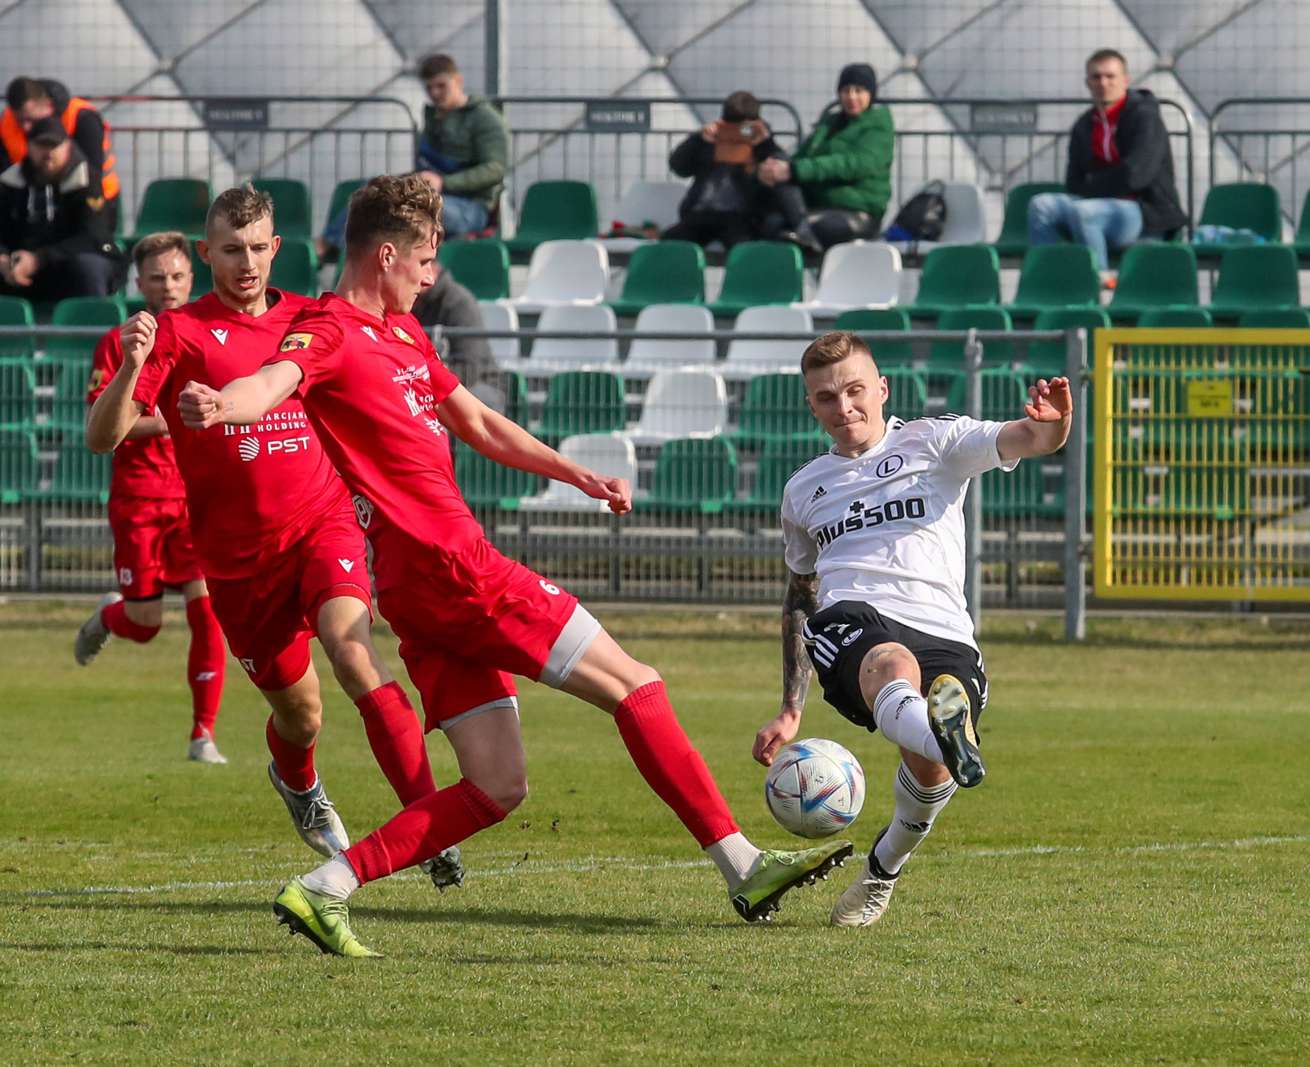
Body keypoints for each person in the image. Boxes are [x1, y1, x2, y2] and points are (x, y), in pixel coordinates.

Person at [180, 175, 854, 958]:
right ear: (388, 254)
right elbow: (275, 380)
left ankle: (326, 887)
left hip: (416, 589)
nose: (432, 276)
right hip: (453, 566)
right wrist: (224, 405)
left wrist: (577, 474)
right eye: (426, 260)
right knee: (636, 684)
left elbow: (477, 422)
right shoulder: (329, 328)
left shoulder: (404, 336)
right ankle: (744, 867)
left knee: (498, 785)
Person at [85, 185, 464, 887]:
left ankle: (431, 823)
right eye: (232, 249)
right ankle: (298, 781)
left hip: (322, 525)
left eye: (259, 247)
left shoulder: (310, 318)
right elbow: (101, 437)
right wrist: (135, 367)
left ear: (277, 248)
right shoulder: (178, 332)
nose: (247, 262)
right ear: (207, 254)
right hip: (236, 560)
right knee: (302, 713)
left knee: (358, 658)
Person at [752, 331, 1073, 929]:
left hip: (946, 631)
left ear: (881, 389)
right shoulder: (802, 489)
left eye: (854, 391)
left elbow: (1031, 437)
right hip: (855, 621)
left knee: (931, 777)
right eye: (826, 398)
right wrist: (790, 706)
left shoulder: (936, 440)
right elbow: (801, 596)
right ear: (811, 406)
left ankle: (883, 868)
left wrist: (1054, 424)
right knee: (891, 664)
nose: (843, 407)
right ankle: (947, 734)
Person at [79, 231, 227, 764]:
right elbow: (106, 425)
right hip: (139, 498)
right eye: (158, 278)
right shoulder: (122, 341)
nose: (169, 287)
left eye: (178, 276)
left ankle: (202, 734)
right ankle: (109, 619)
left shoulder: (208, 335)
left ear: (193, 278)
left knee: (208, 611)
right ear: (139, 283)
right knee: (145, 626)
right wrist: (167, 421)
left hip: (196, 496)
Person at [319, 54, 507, 252]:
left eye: (441, 86)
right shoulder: (435, 117)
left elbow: (495, 169)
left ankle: (337, 249)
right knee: (374, 189)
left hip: (470, 208)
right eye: (429, 88)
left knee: (406, 206)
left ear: (458, 81)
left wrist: (444, 183)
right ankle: (345, 252)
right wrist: (407, 179)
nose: (435, 93)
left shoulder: (485, 118)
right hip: (430, 195)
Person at [0, 115, 125, 319]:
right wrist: (1, 260)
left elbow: (92, 237)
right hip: (22, 271)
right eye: (41, 145)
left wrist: (38, 259)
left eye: (54, 145)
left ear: (67, 146)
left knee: (88, 266)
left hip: (66, 265)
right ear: (29, 146)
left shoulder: (86, 180)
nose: (47, 153)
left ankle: (95, 342)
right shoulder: (12, 181)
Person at [1027, 49, 1186, 275]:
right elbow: (1074, 182)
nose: (1103, 83)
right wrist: (1104, 185)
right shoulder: (1084, 126)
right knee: (1041, 206)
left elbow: (1137, 175)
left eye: (1110, 76)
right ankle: (1044, 281)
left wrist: (1095, 185)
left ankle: (1098, 287)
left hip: (1143, 213)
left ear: (1125, 81)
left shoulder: (1145, 118)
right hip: (1094, 209)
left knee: (1083, 211)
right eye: (1096, 77)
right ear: (1087, 82)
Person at [757, 64, 893, 251]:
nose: (852, 97)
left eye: (859, 91)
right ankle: (801, 230)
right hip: (817, 208)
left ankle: (803, 231)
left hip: (857, 214)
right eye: (846, 90)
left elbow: (855, 164)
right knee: (771, 223)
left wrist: (793, 170)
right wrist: (769, 168)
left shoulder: (879, 127)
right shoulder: (829, 124)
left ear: (871, 93)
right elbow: (800, 159)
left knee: (797, 228)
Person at [0, 76, 119, 236]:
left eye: (31, 120)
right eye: (20, 120)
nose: (26, 127)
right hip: (29, 203)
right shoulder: (7, 120)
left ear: (49, 106)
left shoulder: (81, 117)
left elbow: (90, 173)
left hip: (89, 202)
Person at [663, 90, 791, 250]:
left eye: (743, 128)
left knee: (744, 249)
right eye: (731, 127)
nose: (736, 133)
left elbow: (781, 168)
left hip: (741, 216)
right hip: (702, 214)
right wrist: (698, 140)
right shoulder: (711, 140)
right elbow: (679, 167)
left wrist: (764, 143)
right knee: (670, 244)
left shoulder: (761, 144)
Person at [410, 264, 503, 410]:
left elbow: (469, 369)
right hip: (430, 383)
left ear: (433, 270)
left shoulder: (459, 302)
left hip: (482, 384)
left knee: (448, 404)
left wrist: (420, 378)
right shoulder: (407, 302)